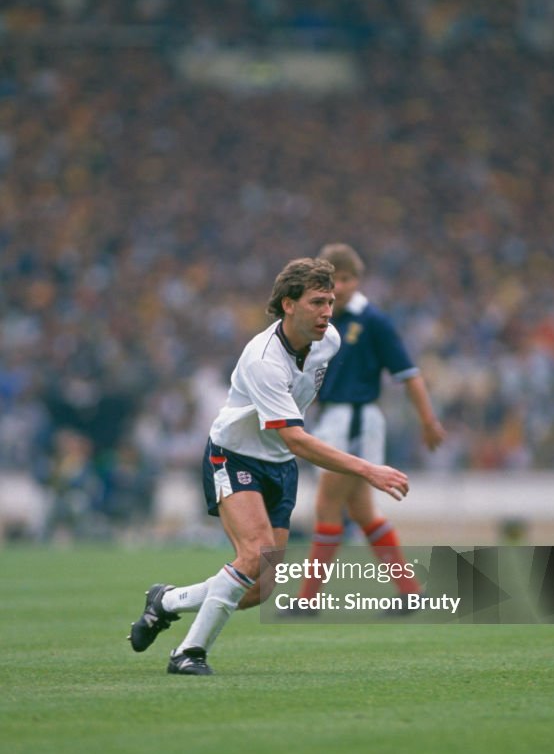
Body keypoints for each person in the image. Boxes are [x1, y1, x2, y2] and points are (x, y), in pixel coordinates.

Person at [128, 257, 409, 675]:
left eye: (330, 302)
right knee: (254, 553)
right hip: (234, 456)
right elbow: (296, 438)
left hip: (279, 464)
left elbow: (294, 428)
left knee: (259, 589)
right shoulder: (264, 359)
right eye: (316, 302)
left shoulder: (329, 340)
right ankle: (188, 653)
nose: (327, 312)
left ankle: (166, 601)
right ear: (288, 304)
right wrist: (368, 469)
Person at [292, 243, 445, 611]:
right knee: (362, 512)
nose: (340, 287)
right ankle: (410, 593)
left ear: (358, 281)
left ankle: (307, 600)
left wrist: (428, 420)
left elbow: (408, 373)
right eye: (333, 280)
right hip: (334, 418)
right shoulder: (322, 319)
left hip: (354, 419)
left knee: (327, 505)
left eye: (346, 279)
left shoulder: (373, 321)